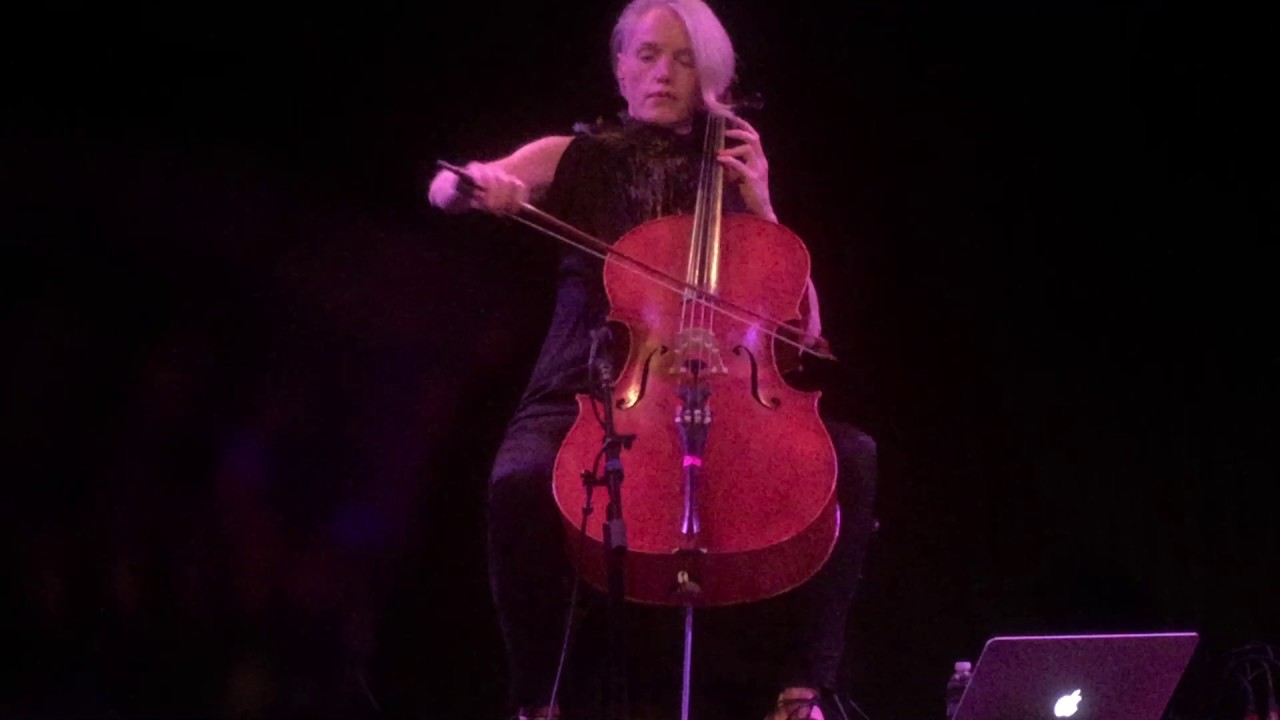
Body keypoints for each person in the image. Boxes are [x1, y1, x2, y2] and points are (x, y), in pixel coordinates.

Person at [427, 1, 878, 718]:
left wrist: (761, 200)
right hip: (590, 376)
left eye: (683, 57)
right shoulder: (573, 156)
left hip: (723, 389)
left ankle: (802, 692)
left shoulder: (728, 172)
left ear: (712, 73)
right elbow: (447, 187)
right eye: (646, 55)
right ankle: (535, 702)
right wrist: (483, 184)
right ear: (618, 68)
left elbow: (806, 327)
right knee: (517, 483)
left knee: (848, 459)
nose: (663, 72)